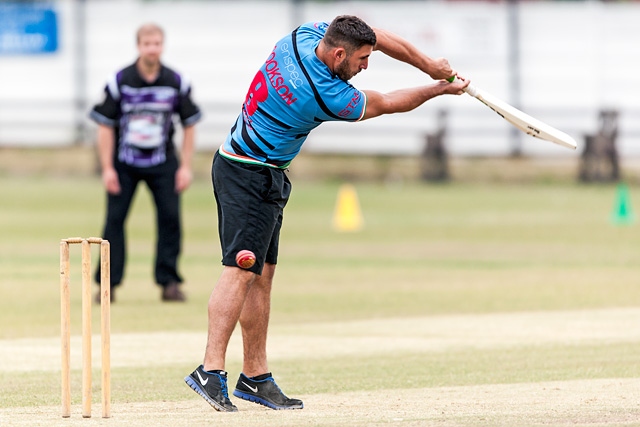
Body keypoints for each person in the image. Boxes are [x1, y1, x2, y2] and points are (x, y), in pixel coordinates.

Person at [184, 15, 469, 412]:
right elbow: (386, 103)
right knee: (240, 269)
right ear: (339, 54)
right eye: (362, 60)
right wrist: (437, 87)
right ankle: (209, 369)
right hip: (246, 173)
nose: (366, 66)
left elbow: (378, 36)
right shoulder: (325, 94)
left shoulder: (303, 36)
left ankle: (255, 376)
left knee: (261, 276)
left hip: (263, 171)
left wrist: (430, 63)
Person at [89, 23, 201, 303]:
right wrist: (107, 168)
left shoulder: (176, 82)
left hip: (163, 162)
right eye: (147, 44)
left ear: (162, 46)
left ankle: (169, 282)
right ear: (138, 46)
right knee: (114, 221)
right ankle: (107, 285)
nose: (152, 48)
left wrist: (185, 166)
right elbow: (104, 126)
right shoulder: (120, 81)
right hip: (124, 161)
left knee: (170, 219)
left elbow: (189, 124)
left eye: (157, 43)